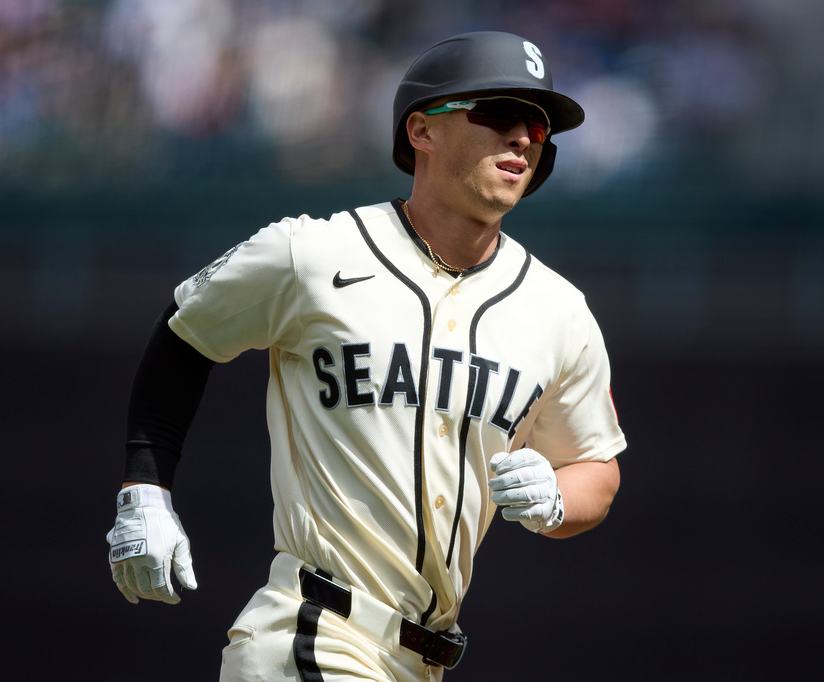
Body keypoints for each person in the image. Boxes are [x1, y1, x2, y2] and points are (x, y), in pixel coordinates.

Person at [106, 30, 626, 681]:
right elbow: (186, 333)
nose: (522, 135)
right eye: (497, 114)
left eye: (538, 125)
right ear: (422, 130)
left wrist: (556, 497)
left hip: (423, 661)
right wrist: (144, 490)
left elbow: (595, 467)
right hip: (313, 632)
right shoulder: (314, 254)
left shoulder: (559, 310)